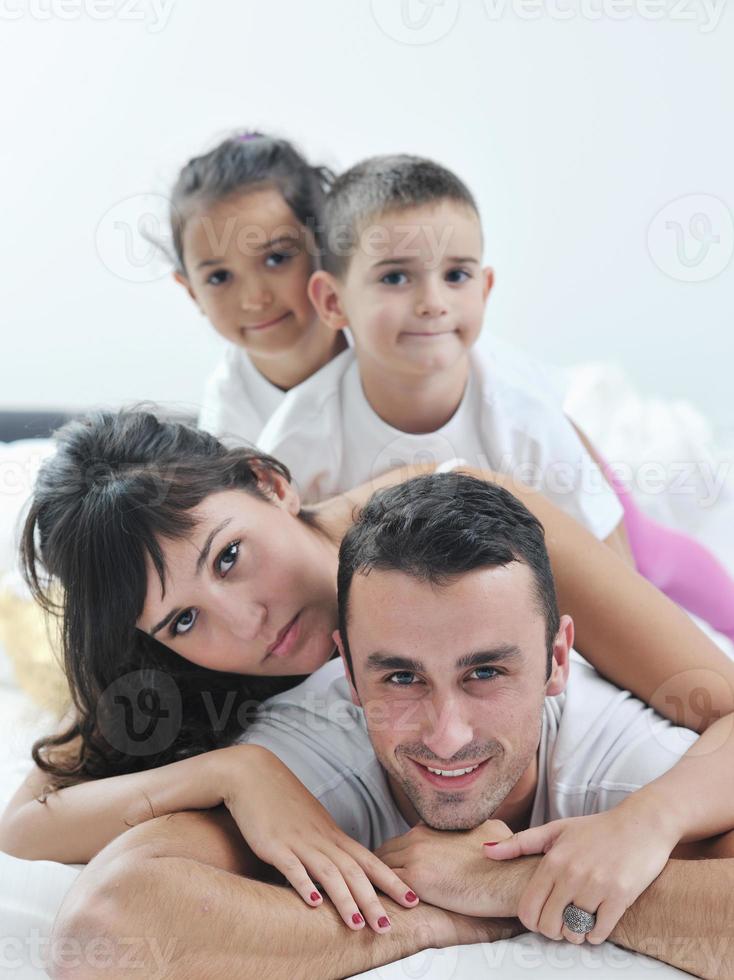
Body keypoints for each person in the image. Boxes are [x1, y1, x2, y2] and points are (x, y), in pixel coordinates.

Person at [1, 411, 733, 927]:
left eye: (229, 557)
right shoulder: (176, 673)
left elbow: (720, 704)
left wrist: (648, 821)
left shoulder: (458, 536)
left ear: (269, 482)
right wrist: (235, 773)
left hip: (660, 577)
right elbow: (24, 829)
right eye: (184, 620)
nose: (243, 619)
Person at [257, 152, 734, 638]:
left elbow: (613, 574)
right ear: (333, 302)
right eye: (395, 277)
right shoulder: (300, 438)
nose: (432, 303)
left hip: (578, 466)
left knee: (655, 562)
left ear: (485, 289)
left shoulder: (522, 417)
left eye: (456, 276)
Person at [169, 130, 348, 443]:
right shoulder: (228, 414)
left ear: (326, 248)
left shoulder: (386, 348)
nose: (254, 299)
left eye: (277, 258)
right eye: (219, 277)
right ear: (192, 292)